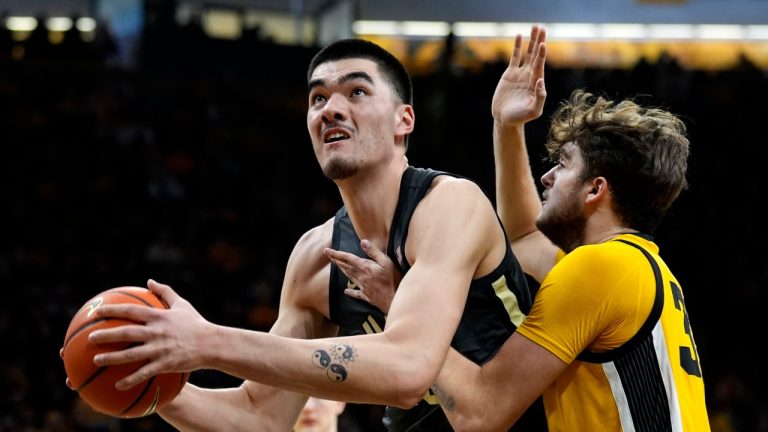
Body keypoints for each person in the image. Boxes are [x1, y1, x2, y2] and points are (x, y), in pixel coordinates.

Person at [72, 34, 537, 431]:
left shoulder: (449, 204)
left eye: (356, 92)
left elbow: (407, 368)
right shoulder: (316, 257)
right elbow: (261, 417)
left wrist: (205, 341)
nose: (331, 109)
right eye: (318, 98)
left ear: (404, 121)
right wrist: (148, 374)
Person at [336, 25, 711, 431]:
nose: (547, 177)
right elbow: (525, 238)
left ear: (595, 190)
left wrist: (401, 303)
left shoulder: (599, 270)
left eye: (563, 164)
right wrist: (506, 126)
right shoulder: (630, 267)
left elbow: (481, 412)